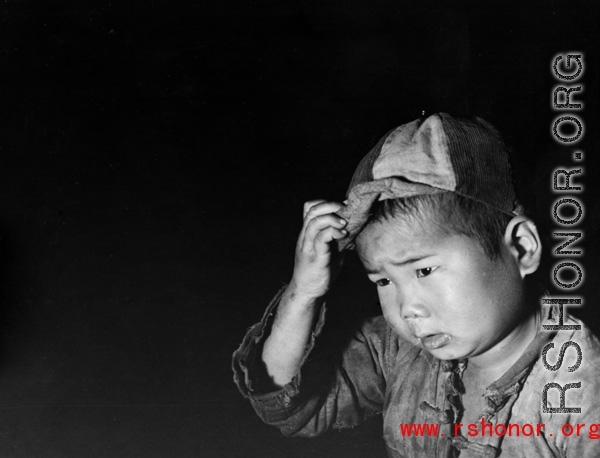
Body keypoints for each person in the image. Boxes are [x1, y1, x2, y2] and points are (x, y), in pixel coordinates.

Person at [232, 113, 600, 457]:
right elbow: (292, 408)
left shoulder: (580, 392)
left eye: (423, 270)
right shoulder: (399, 351)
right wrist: (304, 293)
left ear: (522, 247)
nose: (406, 308)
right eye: (383, 280)